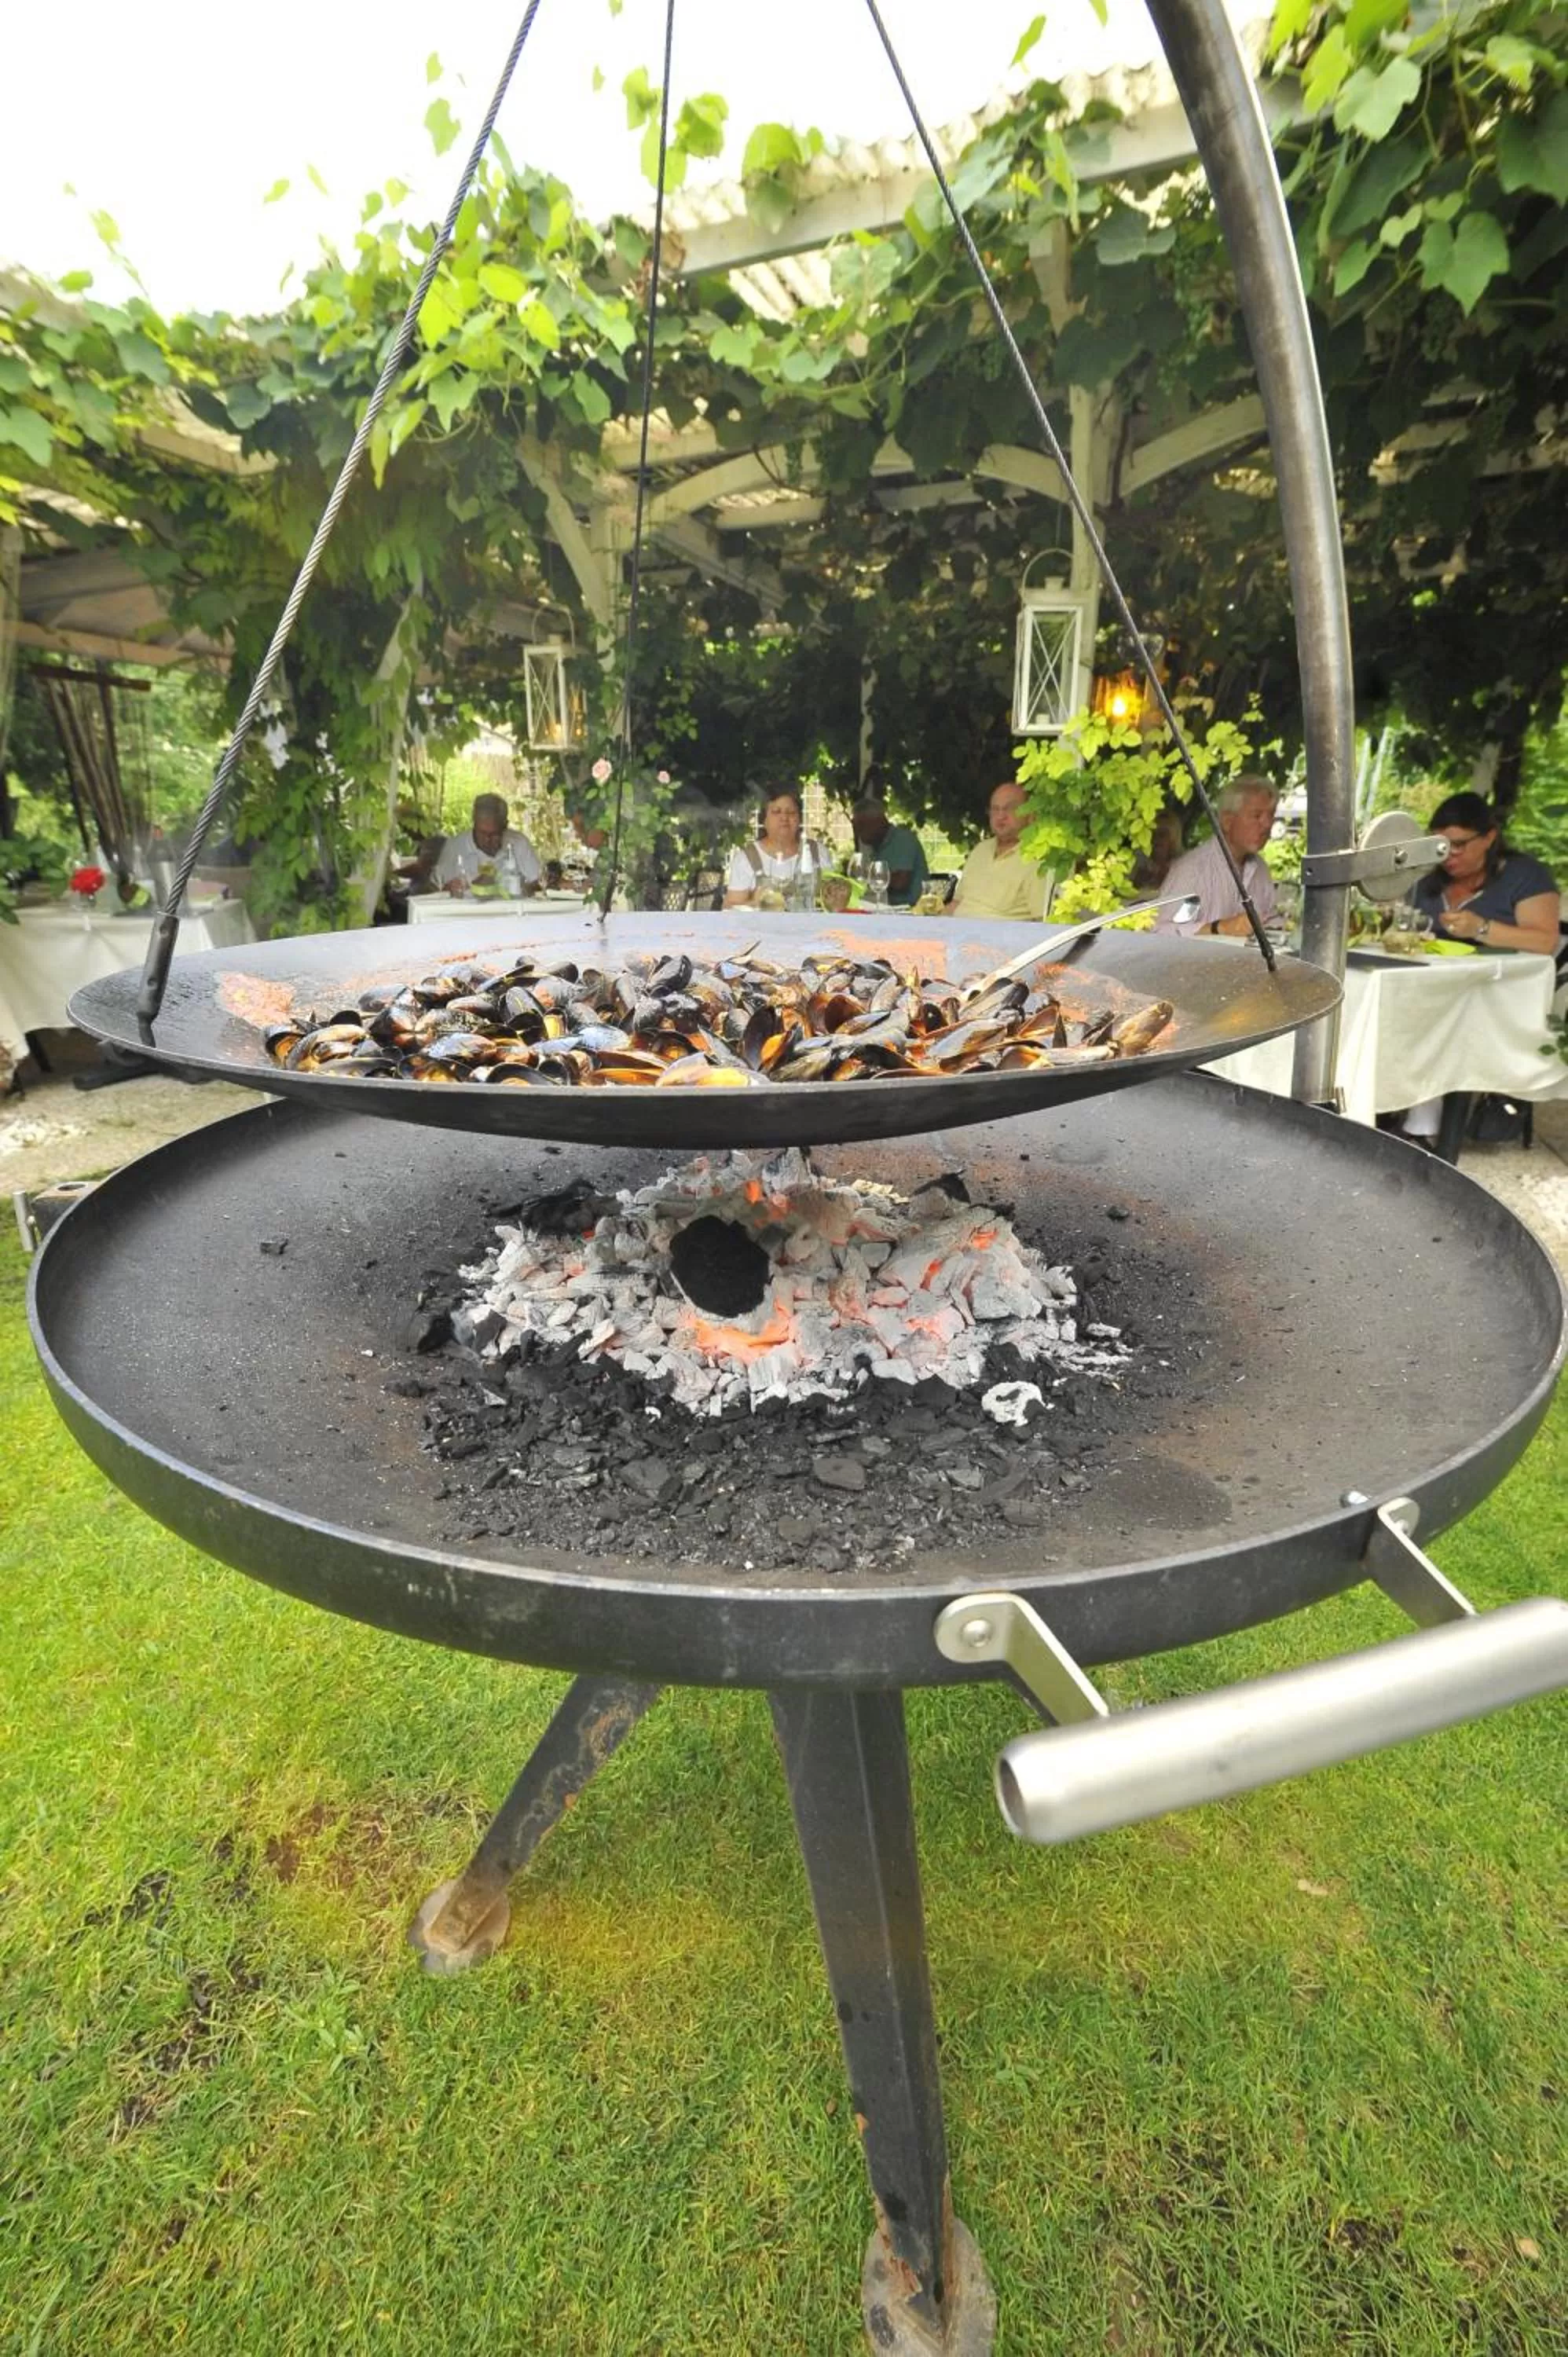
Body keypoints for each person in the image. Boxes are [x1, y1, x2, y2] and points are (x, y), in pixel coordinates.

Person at [1407, 791, 1559, 954]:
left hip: (1500, 976)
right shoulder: (1426, 879)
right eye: (1439, 847)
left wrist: (1480, 929)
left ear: (1489, 838)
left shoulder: (1525, 875)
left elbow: (1546, 942)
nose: (1447, 854)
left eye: (1458, 845)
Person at [1155, 775, 1279, 937]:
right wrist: (1220, 928)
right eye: (1257, 816)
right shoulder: (1193, 870)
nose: (1267, 825)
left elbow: (1273, 922)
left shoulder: (1260, 869)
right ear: (1227, 821)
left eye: (1271, 816)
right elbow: (1163, 932)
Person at [947, 781, 1057, 922]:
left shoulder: (1038, 858)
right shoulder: (981, 850)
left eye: (1009, 808)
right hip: (955, 935)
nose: (1001, 816)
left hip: (999, 941)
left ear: (1030, 815)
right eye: (995, 809)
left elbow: (1044, 922)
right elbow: (956, 904)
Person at [724, 787, 830, 908]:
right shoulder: (747, 858)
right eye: (776, 812)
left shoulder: (817, 853)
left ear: (799, 819)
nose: (784, 818)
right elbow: (729, 909)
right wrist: (756, 903)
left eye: (791, 812)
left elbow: (833, 903)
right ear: (764, 820)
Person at [427, 794, 541, 897]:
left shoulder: (519, 843)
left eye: (494, 835)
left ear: (505, 826)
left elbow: (538, 882)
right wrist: (447, 890)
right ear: (474, 823)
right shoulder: (455, 846)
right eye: (482, 833)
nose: (487, 840)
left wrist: (525, 889)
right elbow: (434, 890)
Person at [852, 797, 928, 908]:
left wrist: (865, 877)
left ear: (878, 821)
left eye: (862, 826)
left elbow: (900, 883)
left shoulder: (903, 839)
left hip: (911, 912)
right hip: (886, 910)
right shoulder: (877, 846)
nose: (858, 832)